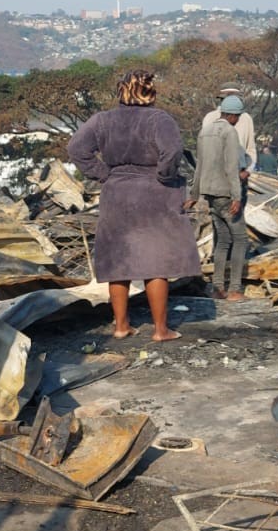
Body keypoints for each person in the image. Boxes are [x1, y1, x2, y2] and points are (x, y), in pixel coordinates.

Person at [66, 69, 199, 342]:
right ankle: (161, 330)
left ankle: (121, 326)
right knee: (156, 261)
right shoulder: (159, 119)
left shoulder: (101, 120)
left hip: (116, 194)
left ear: (121, 90)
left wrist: (103, 174)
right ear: (149, 91)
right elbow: (172, 151)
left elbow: (76, 148)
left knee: (119, 261)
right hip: (153, 194)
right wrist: (164, 175)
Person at [194, 95, 248, 301]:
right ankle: (234, 289)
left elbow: (199, 166)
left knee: (223, 240)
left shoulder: (204, 131)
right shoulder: (229, 132)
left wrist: (194, 194)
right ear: (234, 116)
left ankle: (217, 287)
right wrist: (237, 196)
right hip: (226, 193)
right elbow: (231, 167)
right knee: (240, 240)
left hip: (209, 194)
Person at [202, 84, 256, 170]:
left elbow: (250, 149)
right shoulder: (210, 117)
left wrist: (248, 171)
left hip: (238, 171)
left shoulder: (246, 118)